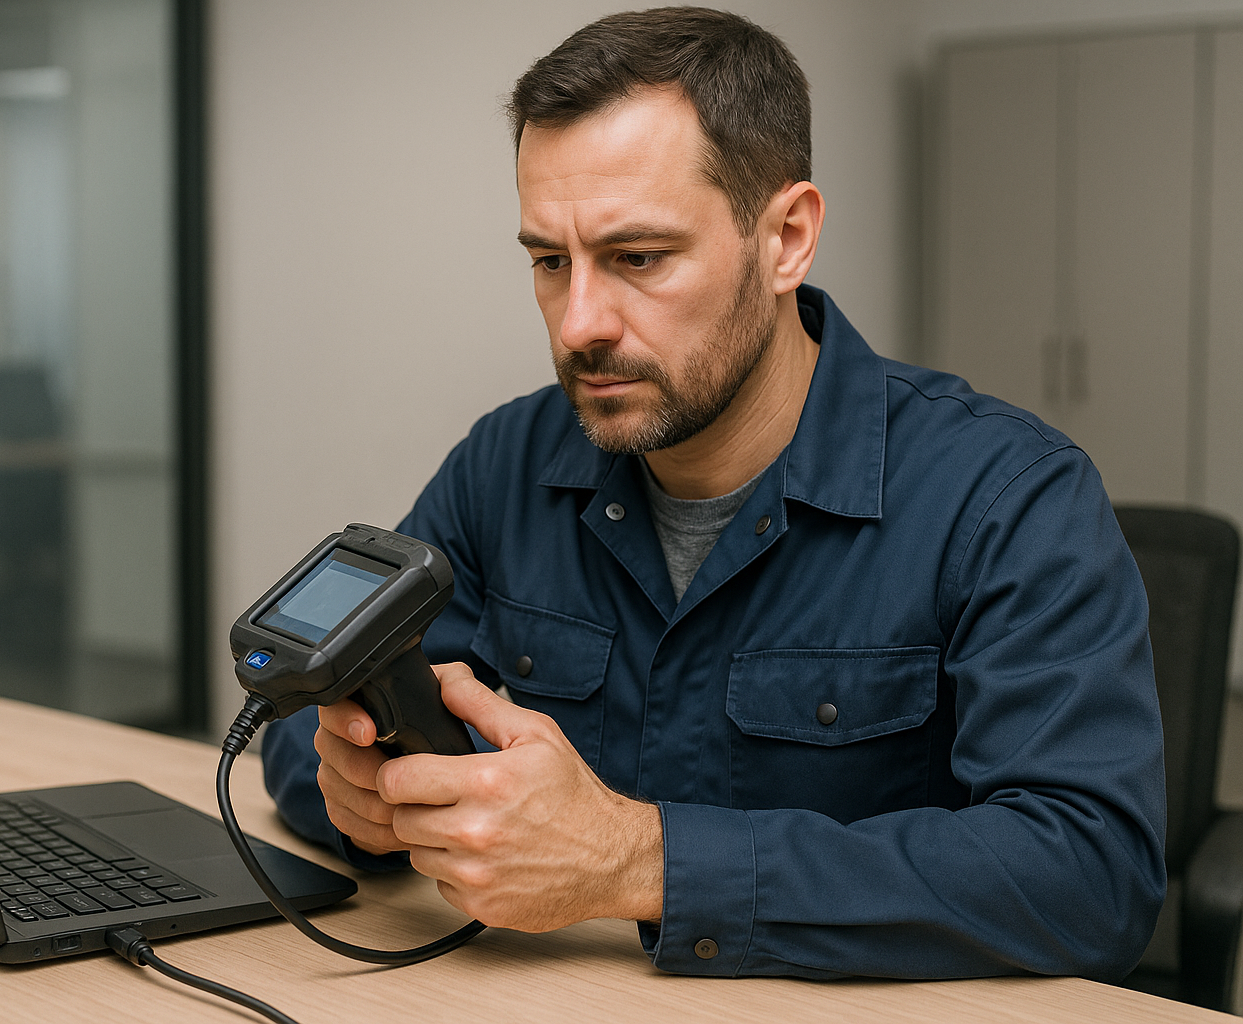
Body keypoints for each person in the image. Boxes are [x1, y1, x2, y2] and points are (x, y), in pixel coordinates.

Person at [261, 6, 1165, 981]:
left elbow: (1088, 870)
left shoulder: (1006, 497)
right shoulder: (508, 462)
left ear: (786, 238)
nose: (579, 325)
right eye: (549, 262)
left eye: (637, 258)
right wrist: (361, 788)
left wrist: (640, 861)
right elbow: (317, 721)